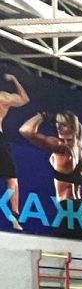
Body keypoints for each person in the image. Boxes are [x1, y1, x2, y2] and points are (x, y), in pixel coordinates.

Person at [20, 110, 82, 205]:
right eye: (57, 124)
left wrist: (43, 115)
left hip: (67, 207)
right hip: (81, 207)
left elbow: (25, 131)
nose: (58, 127)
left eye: (63, 125)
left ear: (72, 127)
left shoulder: (61, 148)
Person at [1, 71, 30, 228]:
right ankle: (15, 215)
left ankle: (15, 216)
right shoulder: (4, 97)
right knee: (12, 178)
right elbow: (24, 99)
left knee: (12, 177)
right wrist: (15, 80)